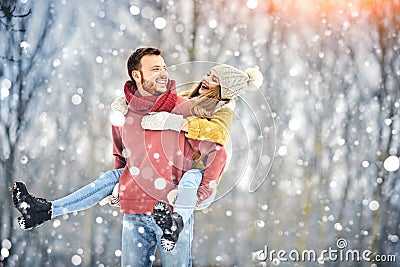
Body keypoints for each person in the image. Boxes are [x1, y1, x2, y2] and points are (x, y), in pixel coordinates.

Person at [12, 47, 227, 266]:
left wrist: (201, 192)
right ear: (137, 75)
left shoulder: (183, 109)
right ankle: (42, 210)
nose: (163, 73)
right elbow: (121, 157)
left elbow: (218, 152)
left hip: (170, 215)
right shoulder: (124, 113)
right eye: (155, 69)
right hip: (135, 212)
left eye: (164, 68)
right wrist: (119, 189)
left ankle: (44, 210)